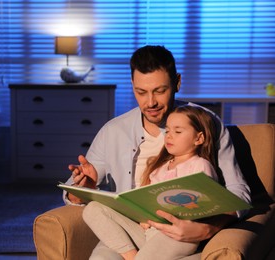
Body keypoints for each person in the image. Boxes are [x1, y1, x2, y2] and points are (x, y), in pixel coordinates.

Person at [64, 45, 251, 258]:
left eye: (160, 91)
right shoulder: (113, 131)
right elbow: (72, 194)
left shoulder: (204, 123)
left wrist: (209, 227)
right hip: (133, 230)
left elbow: (239, 192)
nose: (150, 102)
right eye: (141, 92)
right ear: (132, 85)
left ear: (177, 83)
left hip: (179, 233)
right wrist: (84, 189)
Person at [82, 105, 221, 260]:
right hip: (147, 231)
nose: (169, 136)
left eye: (178, 131)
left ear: (199, 138)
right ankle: (131, 256)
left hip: (177, 235)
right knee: (93, 209)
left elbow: (205, 207)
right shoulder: (159, 167)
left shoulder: (200, 165)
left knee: (170, 239)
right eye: (167, 131)